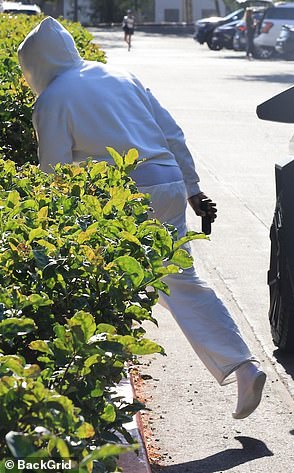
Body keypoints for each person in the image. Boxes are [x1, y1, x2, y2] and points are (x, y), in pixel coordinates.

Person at [18, 17, 267, 420]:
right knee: (180, 280)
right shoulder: (120, 75)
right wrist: (193, 190)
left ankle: (89, 388)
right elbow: (172, 133)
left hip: (120, 198)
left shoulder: (52, 100)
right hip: (167, 183)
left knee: (97, 282)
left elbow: (54, 174)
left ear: (34, 66)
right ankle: (243, 366)